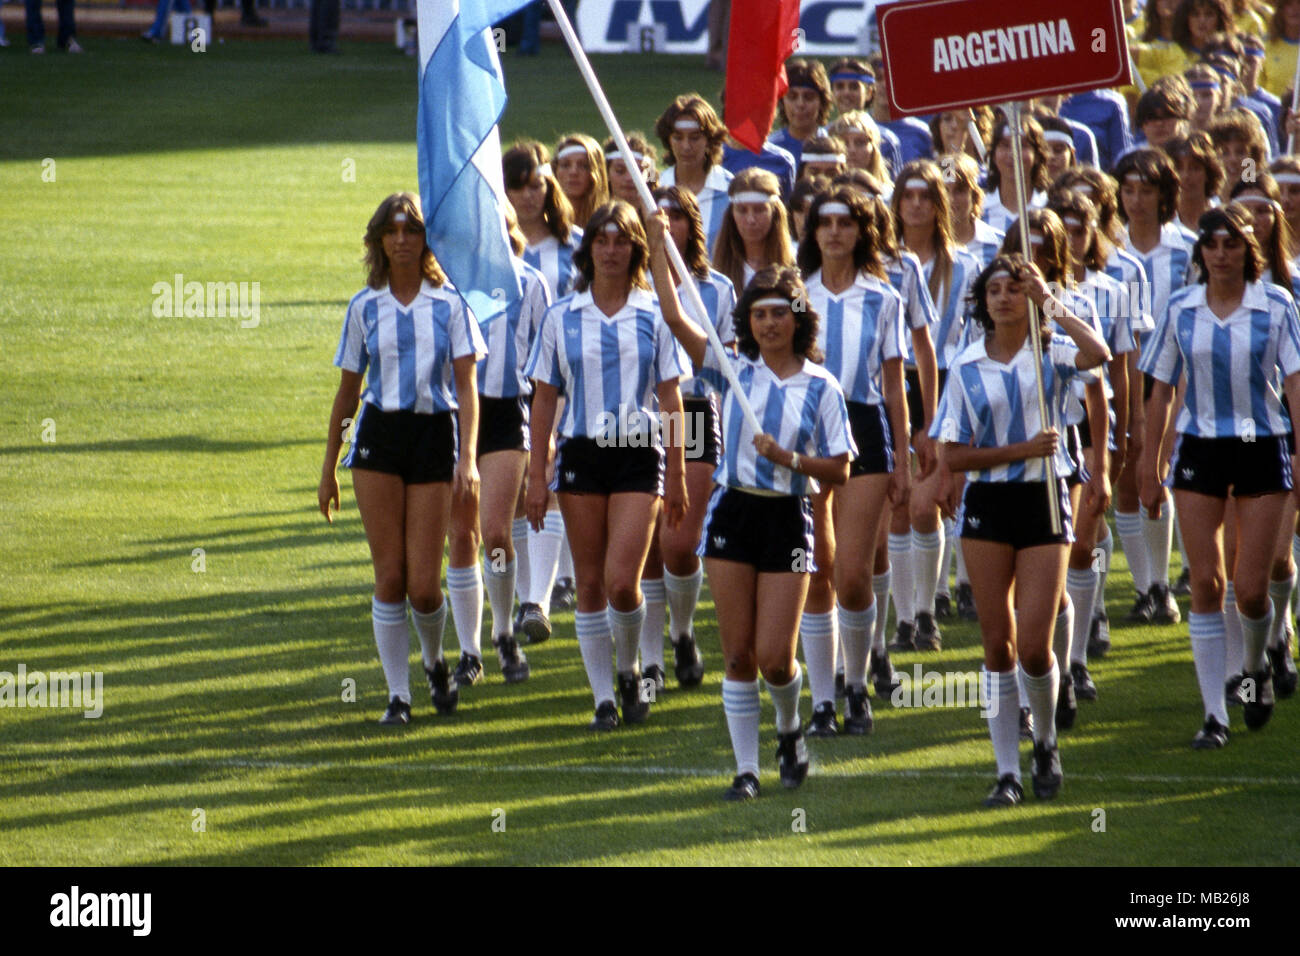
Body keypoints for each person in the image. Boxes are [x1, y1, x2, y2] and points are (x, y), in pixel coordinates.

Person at [648, 233, 852, 799]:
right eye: (758, 314)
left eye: (778, 314)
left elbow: (840, 470)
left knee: (774, 659)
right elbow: (672, 313)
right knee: (737, 654)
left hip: (788, 518)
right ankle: (746, 770)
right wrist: (656, 237)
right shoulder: (731, 370)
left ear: (797, 319)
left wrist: (789, 459)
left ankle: (790, 729)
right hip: (732, 514)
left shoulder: (822, 387)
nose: (768, 325)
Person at [932, 253, 1110, 806]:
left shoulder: (1051, 352)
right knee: (997, 645)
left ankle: (1047, 740)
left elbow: (1098, 355)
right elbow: (953, 457)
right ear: (983, 302)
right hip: (988, 504)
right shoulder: (965, 366)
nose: (1004, 297)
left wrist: (1050, 302)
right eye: (995, 290)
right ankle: (1006, 769)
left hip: (1043, 500)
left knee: (1035, 645)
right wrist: (1019, 450)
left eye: (1015, 288)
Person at [318, 192, 486, 725]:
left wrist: (470, 460)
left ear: (425, 239)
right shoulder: (364, 306)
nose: (401, 240)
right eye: (391, 232)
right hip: (379, 440)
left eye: (411, 231)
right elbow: (348, 393)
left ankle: (435, 662)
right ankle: (398, 695)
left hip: (434, 436)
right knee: (388, 577)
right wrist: (329, 466)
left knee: (424, 585)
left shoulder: (450, 304)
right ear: (378, 242)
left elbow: (467, 386)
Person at [1138, 203, 1300, 747]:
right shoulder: (1181, 307)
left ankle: (1255, 668)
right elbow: (1160, 389)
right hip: (1201, 450)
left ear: (1247, 249)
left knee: (1252, 590)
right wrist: (1149, 459)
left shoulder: (1275, 304)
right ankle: (1214, 714)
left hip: (1261, 446)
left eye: (1232, 243)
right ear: (1201, 252)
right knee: (1206, 583)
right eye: (1213, 243)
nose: (1222, 253)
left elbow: (1295, 384)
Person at [524, 200, 688, 731]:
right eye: (602, 240)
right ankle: (603, 699)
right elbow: (544, 399)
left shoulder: (653, 314)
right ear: (588, 247)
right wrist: (535, 474)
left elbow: (671, 398)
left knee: (623, 581)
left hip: (639, 453)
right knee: (590, 584)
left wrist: (680, 471)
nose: (611, 250)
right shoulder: (561, 316)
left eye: (621, 240)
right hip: (582, 455)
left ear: (636, 248)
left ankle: (629, 664)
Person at [797, 187, 910, 736]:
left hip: (864, 429)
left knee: (853, 574)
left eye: (846, 223)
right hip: (807, 429)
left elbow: (894, 382)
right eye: (826, 222)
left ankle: (858, 684)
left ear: (862, 232)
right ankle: (823, 701)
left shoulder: (884, 298)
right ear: (813, 231)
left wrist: (906, 459)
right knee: (816, 568)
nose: (835, 232)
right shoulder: (797, 296)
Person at [443, 206, 549, 692]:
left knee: (497, 533)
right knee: (462, 537)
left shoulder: (531, 283)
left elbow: (548, 362)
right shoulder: (445, 284)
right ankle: (469, 652)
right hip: (452, 413)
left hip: (507, 411)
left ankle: (504, 630)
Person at [636, 185, 734, 691]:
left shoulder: (713, 289)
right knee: (644, 546)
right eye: (658, 216)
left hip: (693, 411)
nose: (666, 224)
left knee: (679, 542)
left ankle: (682, 629)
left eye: (675, 216)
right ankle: (651, 658)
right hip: (635, 419)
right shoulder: (626, 283)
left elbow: (724, 371)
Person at [894, 160, 984, 645]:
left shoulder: (966, 266)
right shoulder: (883, 263)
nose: (915, 205)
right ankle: (905, 615)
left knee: (928, 503)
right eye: (907, 196)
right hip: (891, 381)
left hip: (946, 383)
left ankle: (927, 610)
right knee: (899, 503)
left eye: (925, 196)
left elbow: (973, 338)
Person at [1113, 147, 1194, 628]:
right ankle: (1145, 587)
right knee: (1127, 479)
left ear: (1165, 193)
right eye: (1128, 189)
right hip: (1124, 377)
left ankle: (1163, 583)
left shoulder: (1187, 248)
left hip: (1174, 379)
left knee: (1159, 476)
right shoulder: (1110, 249)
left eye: (1147, 190)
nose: (1137, 200)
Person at [655, 94, 734, 251]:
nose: (686, 146)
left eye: (695, 138)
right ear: (668, 140)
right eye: (678, 137)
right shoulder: (656, 188)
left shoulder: (731, 189)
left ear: (710, 140)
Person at [710, 168, 795, 294]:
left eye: (759, 210)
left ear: (774, 213)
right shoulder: (715, 275)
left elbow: (800, 310)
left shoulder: (795, 265)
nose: (751, 220)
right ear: (732, 215)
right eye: (742, 210)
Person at [981, 113, 1050, 233]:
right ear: (993, 155)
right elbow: (948, 176)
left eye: (1022, 146)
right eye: (1005, 145)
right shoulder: (978, 210)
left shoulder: (1049, 207)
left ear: (1038, 156)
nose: (1013, 154)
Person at [554, 134, 610, 229]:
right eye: (565, 165)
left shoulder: (609, 221)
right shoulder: (542, 221)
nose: (573, 172)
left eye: (584, 166)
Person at [604, 133, 659, 207]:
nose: (629, 178)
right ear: (606, 173)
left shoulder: (666, 213)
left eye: (638, 172)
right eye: (620, 171)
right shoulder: (593, 214)